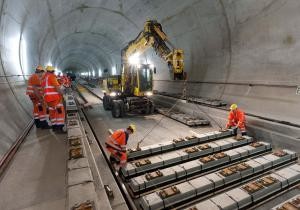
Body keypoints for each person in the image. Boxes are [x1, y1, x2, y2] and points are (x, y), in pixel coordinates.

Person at [41, 66, 65, 132]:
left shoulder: (43, 79)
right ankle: (59, 128)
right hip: (55, 98)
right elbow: (57, 88)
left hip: (48, 100)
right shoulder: (51, 76)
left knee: (52, 113)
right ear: (52, 71)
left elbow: (43, 90)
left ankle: (54, 127)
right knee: (59, 112)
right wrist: (62, 93)